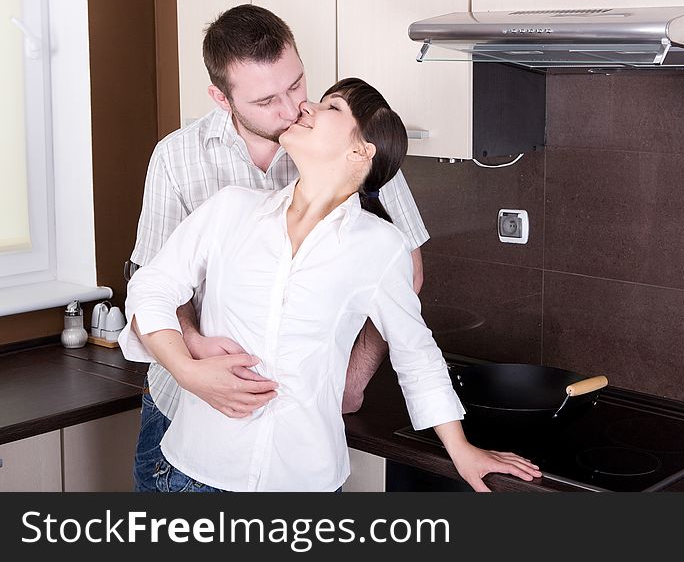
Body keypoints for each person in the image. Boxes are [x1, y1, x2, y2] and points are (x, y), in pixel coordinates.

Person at [118, 77, 542, 492]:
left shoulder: (380, 247)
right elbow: (150, 288)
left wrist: (461, 449)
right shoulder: (230, 209)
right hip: (195, 474)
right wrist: (187, 370)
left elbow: (417, 355)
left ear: (360, 152)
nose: (306, 107)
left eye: (331, 107)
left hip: (304, 481)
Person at [126, 4, 429, 491]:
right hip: (183, 411)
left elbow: (405, 273)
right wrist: (190, 355)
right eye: (267, 100)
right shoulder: (177, 158)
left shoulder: (346, 142)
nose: (291, 110)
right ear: (222, 99)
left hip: (294, 431)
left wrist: (353, 379)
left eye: (296, 85)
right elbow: (152, 281)